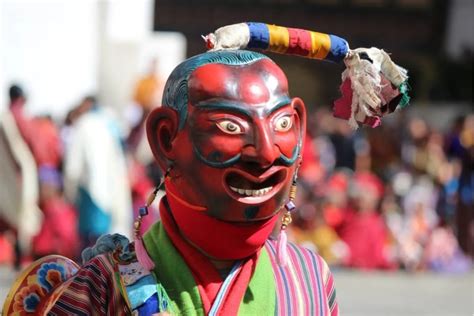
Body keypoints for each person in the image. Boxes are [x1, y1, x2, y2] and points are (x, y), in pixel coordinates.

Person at [5, 22, 409, 316]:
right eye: (229, 127)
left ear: (300, 129)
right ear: (165, 140)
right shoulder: (104, 287)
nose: (266, 152)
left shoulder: (309, 279)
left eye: (282, 124)